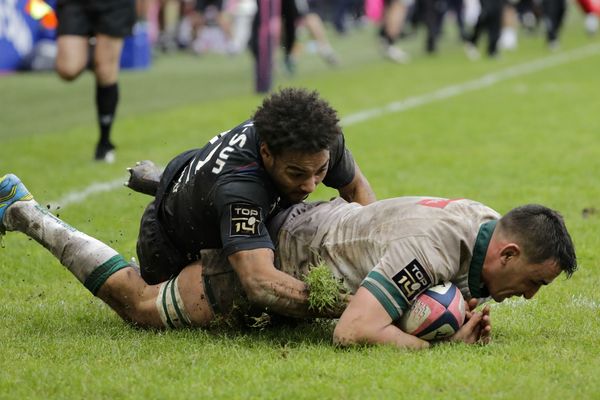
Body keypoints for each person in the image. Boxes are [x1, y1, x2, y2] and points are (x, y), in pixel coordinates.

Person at [0, 174, 576, 349]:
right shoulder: (426, 251)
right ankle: (27, 214)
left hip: (319, 225)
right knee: (141, 301)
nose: (531, 295)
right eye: (534, 282)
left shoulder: (482, 217)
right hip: (285, 255)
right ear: (508, 252)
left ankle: (176, 186)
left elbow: (445, 269)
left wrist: (465, 301)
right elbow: (352, 332)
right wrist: (431, 342)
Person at [135, 87, 375, 317]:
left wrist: (377, 266)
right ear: (266, 153)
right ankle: (164, 188)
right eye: (296, 174)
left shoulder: (323, 137)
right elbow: (260, 282)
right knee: (224, 306)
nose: (311, 186)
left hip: (210, 183)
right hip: (170, 244)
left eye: (320, 171)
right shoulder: (241, 188)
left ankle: (163, 182)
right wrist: (357, 307)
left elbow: (357, 190)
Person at [54, 0, 136, 163]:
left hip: (114, 5)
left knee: (106, 71)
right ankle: (96, 54)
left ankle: (105, 143)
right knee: (67, 69)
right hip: (76, 4)